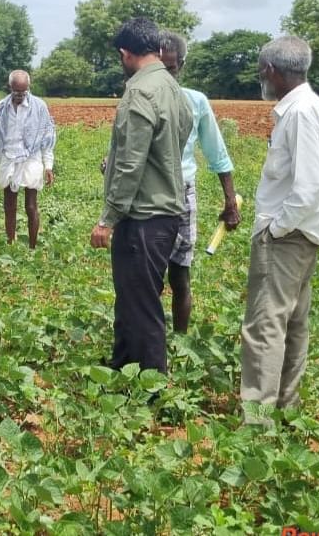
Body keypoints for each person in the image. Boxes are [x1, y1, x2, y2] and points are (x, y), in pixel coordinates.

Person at [240, 36, 319, 425]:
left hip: (288, 236)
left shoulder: (299, 113)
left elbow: (308, 186)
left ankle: (256, 421)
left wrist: (276, 230)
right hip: (306, 235)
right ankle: (286, 407)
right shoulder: (316, 108)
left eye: (262, 71)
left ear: (271, 71)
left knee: (264, 326)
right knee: (293, 324)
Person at [90, 18, 192, 374]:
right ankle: (122, 367)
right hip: (165, 212)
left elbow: (132, 164)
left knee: (142, 304)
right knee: (132, 297)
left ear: (125, 53)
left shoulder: (139, 92)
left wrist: (108, 217)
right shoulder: (173, 88)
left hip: (144, 216)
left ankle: (150, 384)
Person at [159, 31, 241, 333]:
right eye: (159, 67)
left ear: (181, 65)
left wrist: (230, 201)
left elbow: (217, 153)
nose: (166, 74)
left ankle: (179, 341)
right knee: (150, 278)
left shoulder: (196, 101)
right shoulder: (139, 97)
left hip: (182, 194)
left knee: (180, 276)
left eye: (172, 68)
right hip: (147, 197)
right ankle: (153, 343)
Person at [0, 70, 56, 249]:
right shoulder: (2, 107)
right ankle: (10, 245)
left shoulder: (39, 106)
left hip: (31, 159)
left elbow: (47, 139)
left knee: (31, 206)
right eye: (16, 92)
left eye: (23, 92)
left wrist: (48, 166)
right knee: (9, 207)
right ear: (10, 88)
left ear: (28, 88)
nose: (20, 96)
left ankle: (32, 247)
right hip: (9, 157)